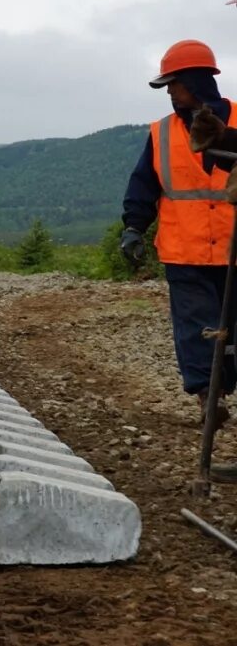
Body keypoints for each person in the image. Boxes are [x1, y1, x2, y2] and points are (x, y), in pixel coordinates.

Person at [119, 39, 237, 441]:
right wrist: (134, 226)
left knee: (231, 327)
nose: (170, 92)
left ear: (194, 81)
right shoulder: (161, 133)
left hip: (233, 247)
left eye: (174, 83)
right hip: (183, 248)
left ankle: (221, 386)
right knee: (194, 326)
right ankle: (208, 395)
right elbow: (144, 184)